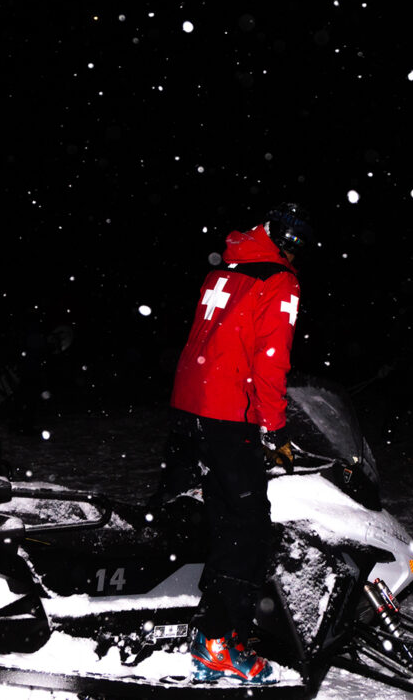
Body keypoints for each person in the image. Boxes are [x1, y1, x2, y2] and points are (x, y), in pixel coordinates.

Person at [167, 202, 308, 685]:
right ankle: (218, 641)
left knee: (215, 514)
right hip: (228, 411)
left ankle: (197, 619)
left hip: (191, 402)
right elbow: (270, 360)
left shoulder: (229, 265)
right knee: (248, 528)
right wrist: (277, 428)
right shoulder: (280, 280)